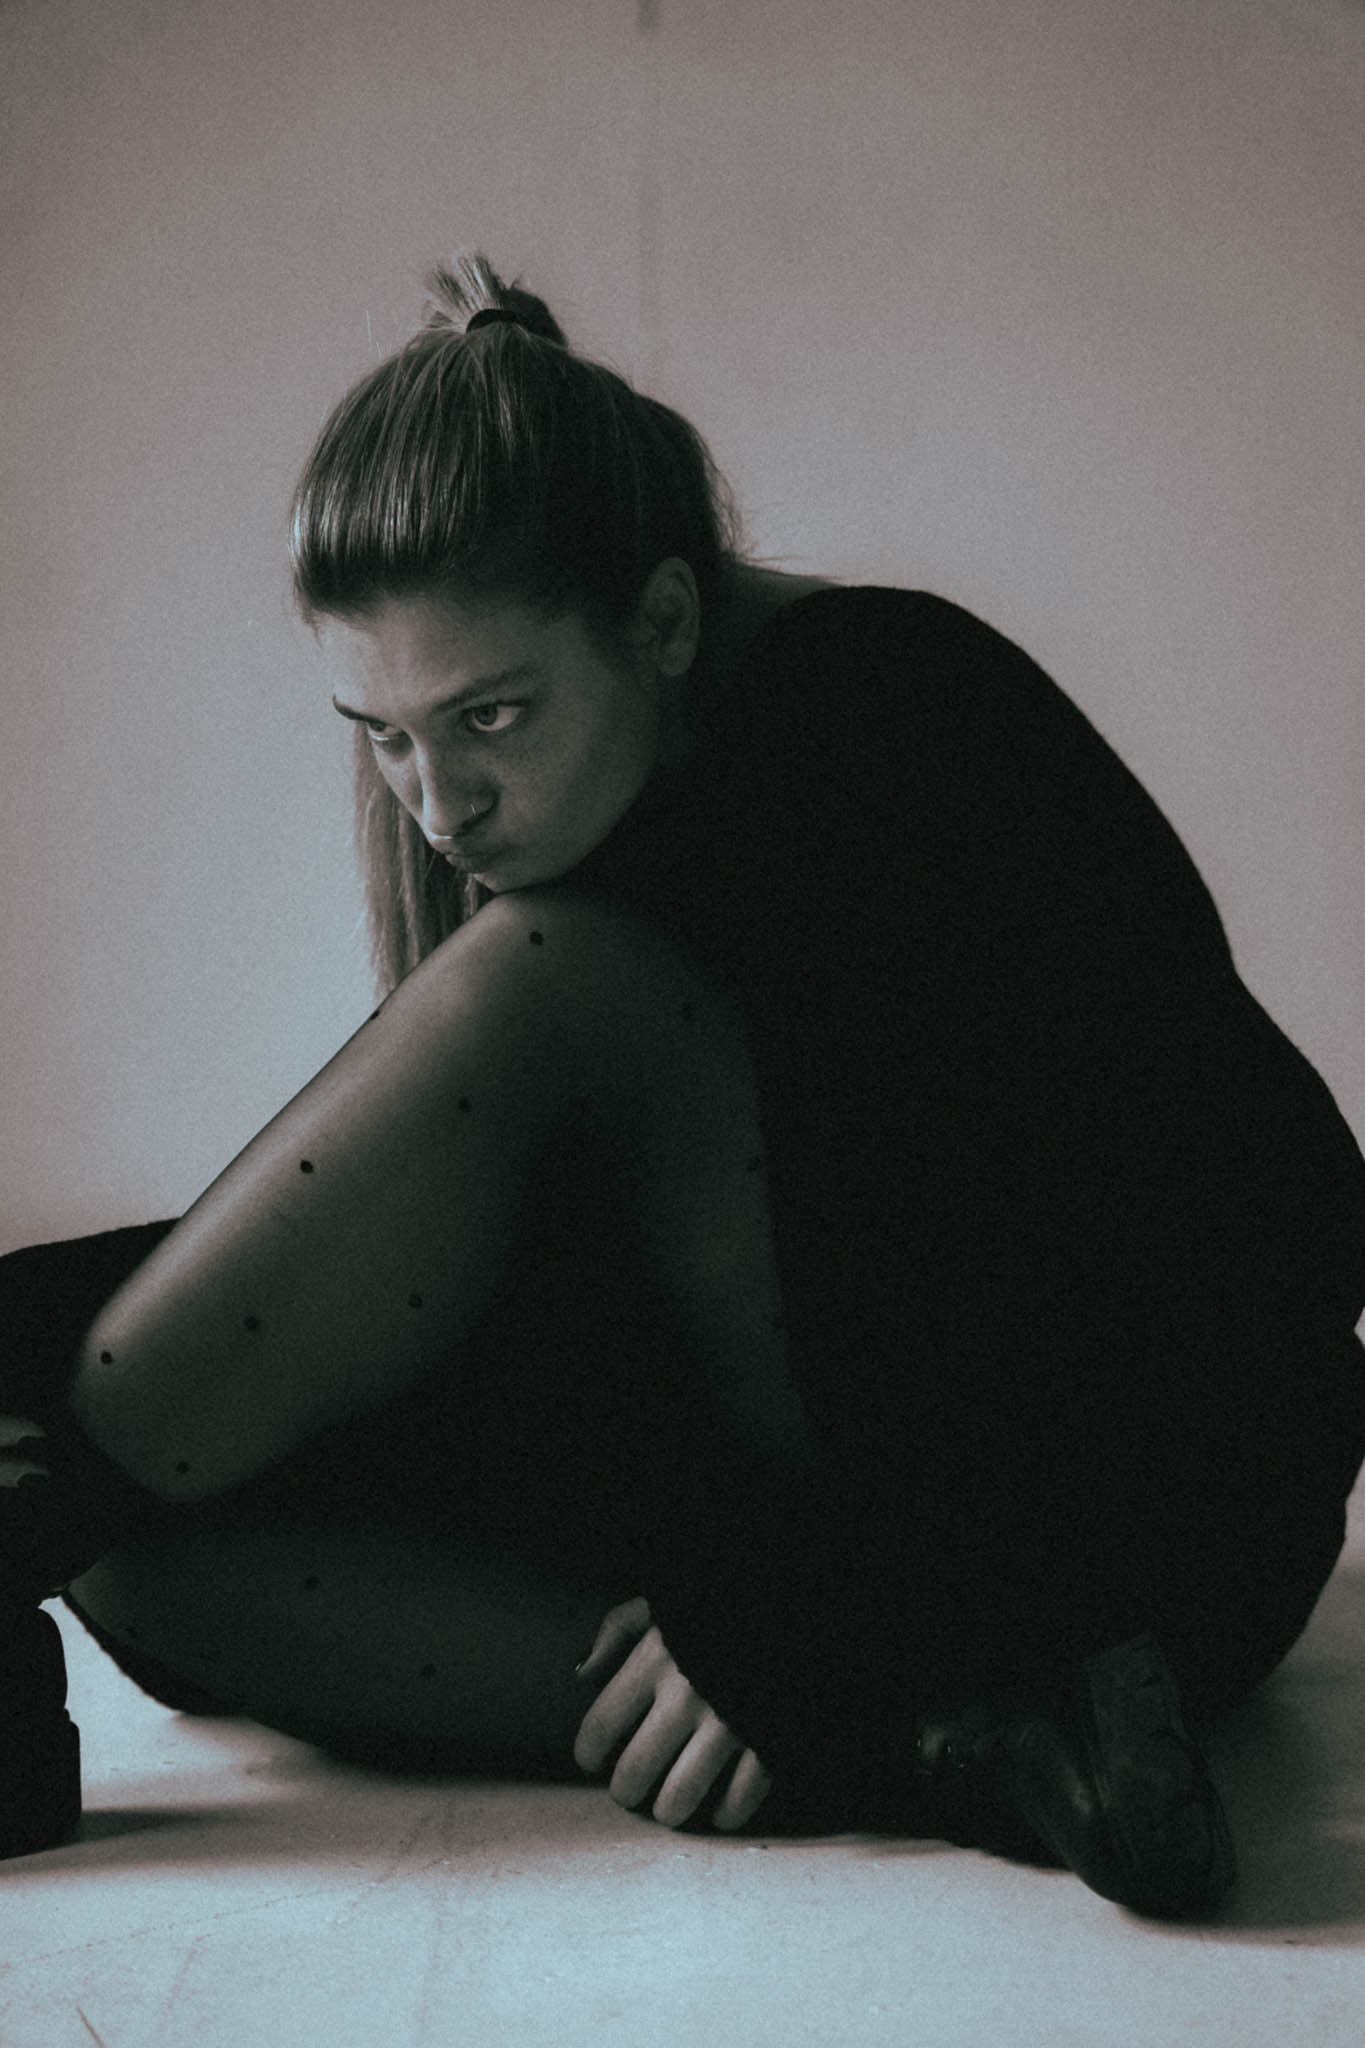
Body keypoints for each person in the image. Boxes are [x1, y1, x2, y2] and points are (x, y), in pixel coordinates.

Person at [3, 253, 1363, 1919]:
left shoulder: (897, 718)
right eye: (384, 732)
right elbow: (493, 1291)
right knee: (137, 1550)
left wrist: (818, 1607)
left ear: (657, 622)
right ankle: (954, 1746)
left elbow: (1252, 1247)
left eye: (490, 715)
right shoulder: (563, 804)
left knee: (547, 974)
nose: (441, 801)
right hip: (843, 1502)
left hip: (1125, 1523)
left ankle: (952, 1689)